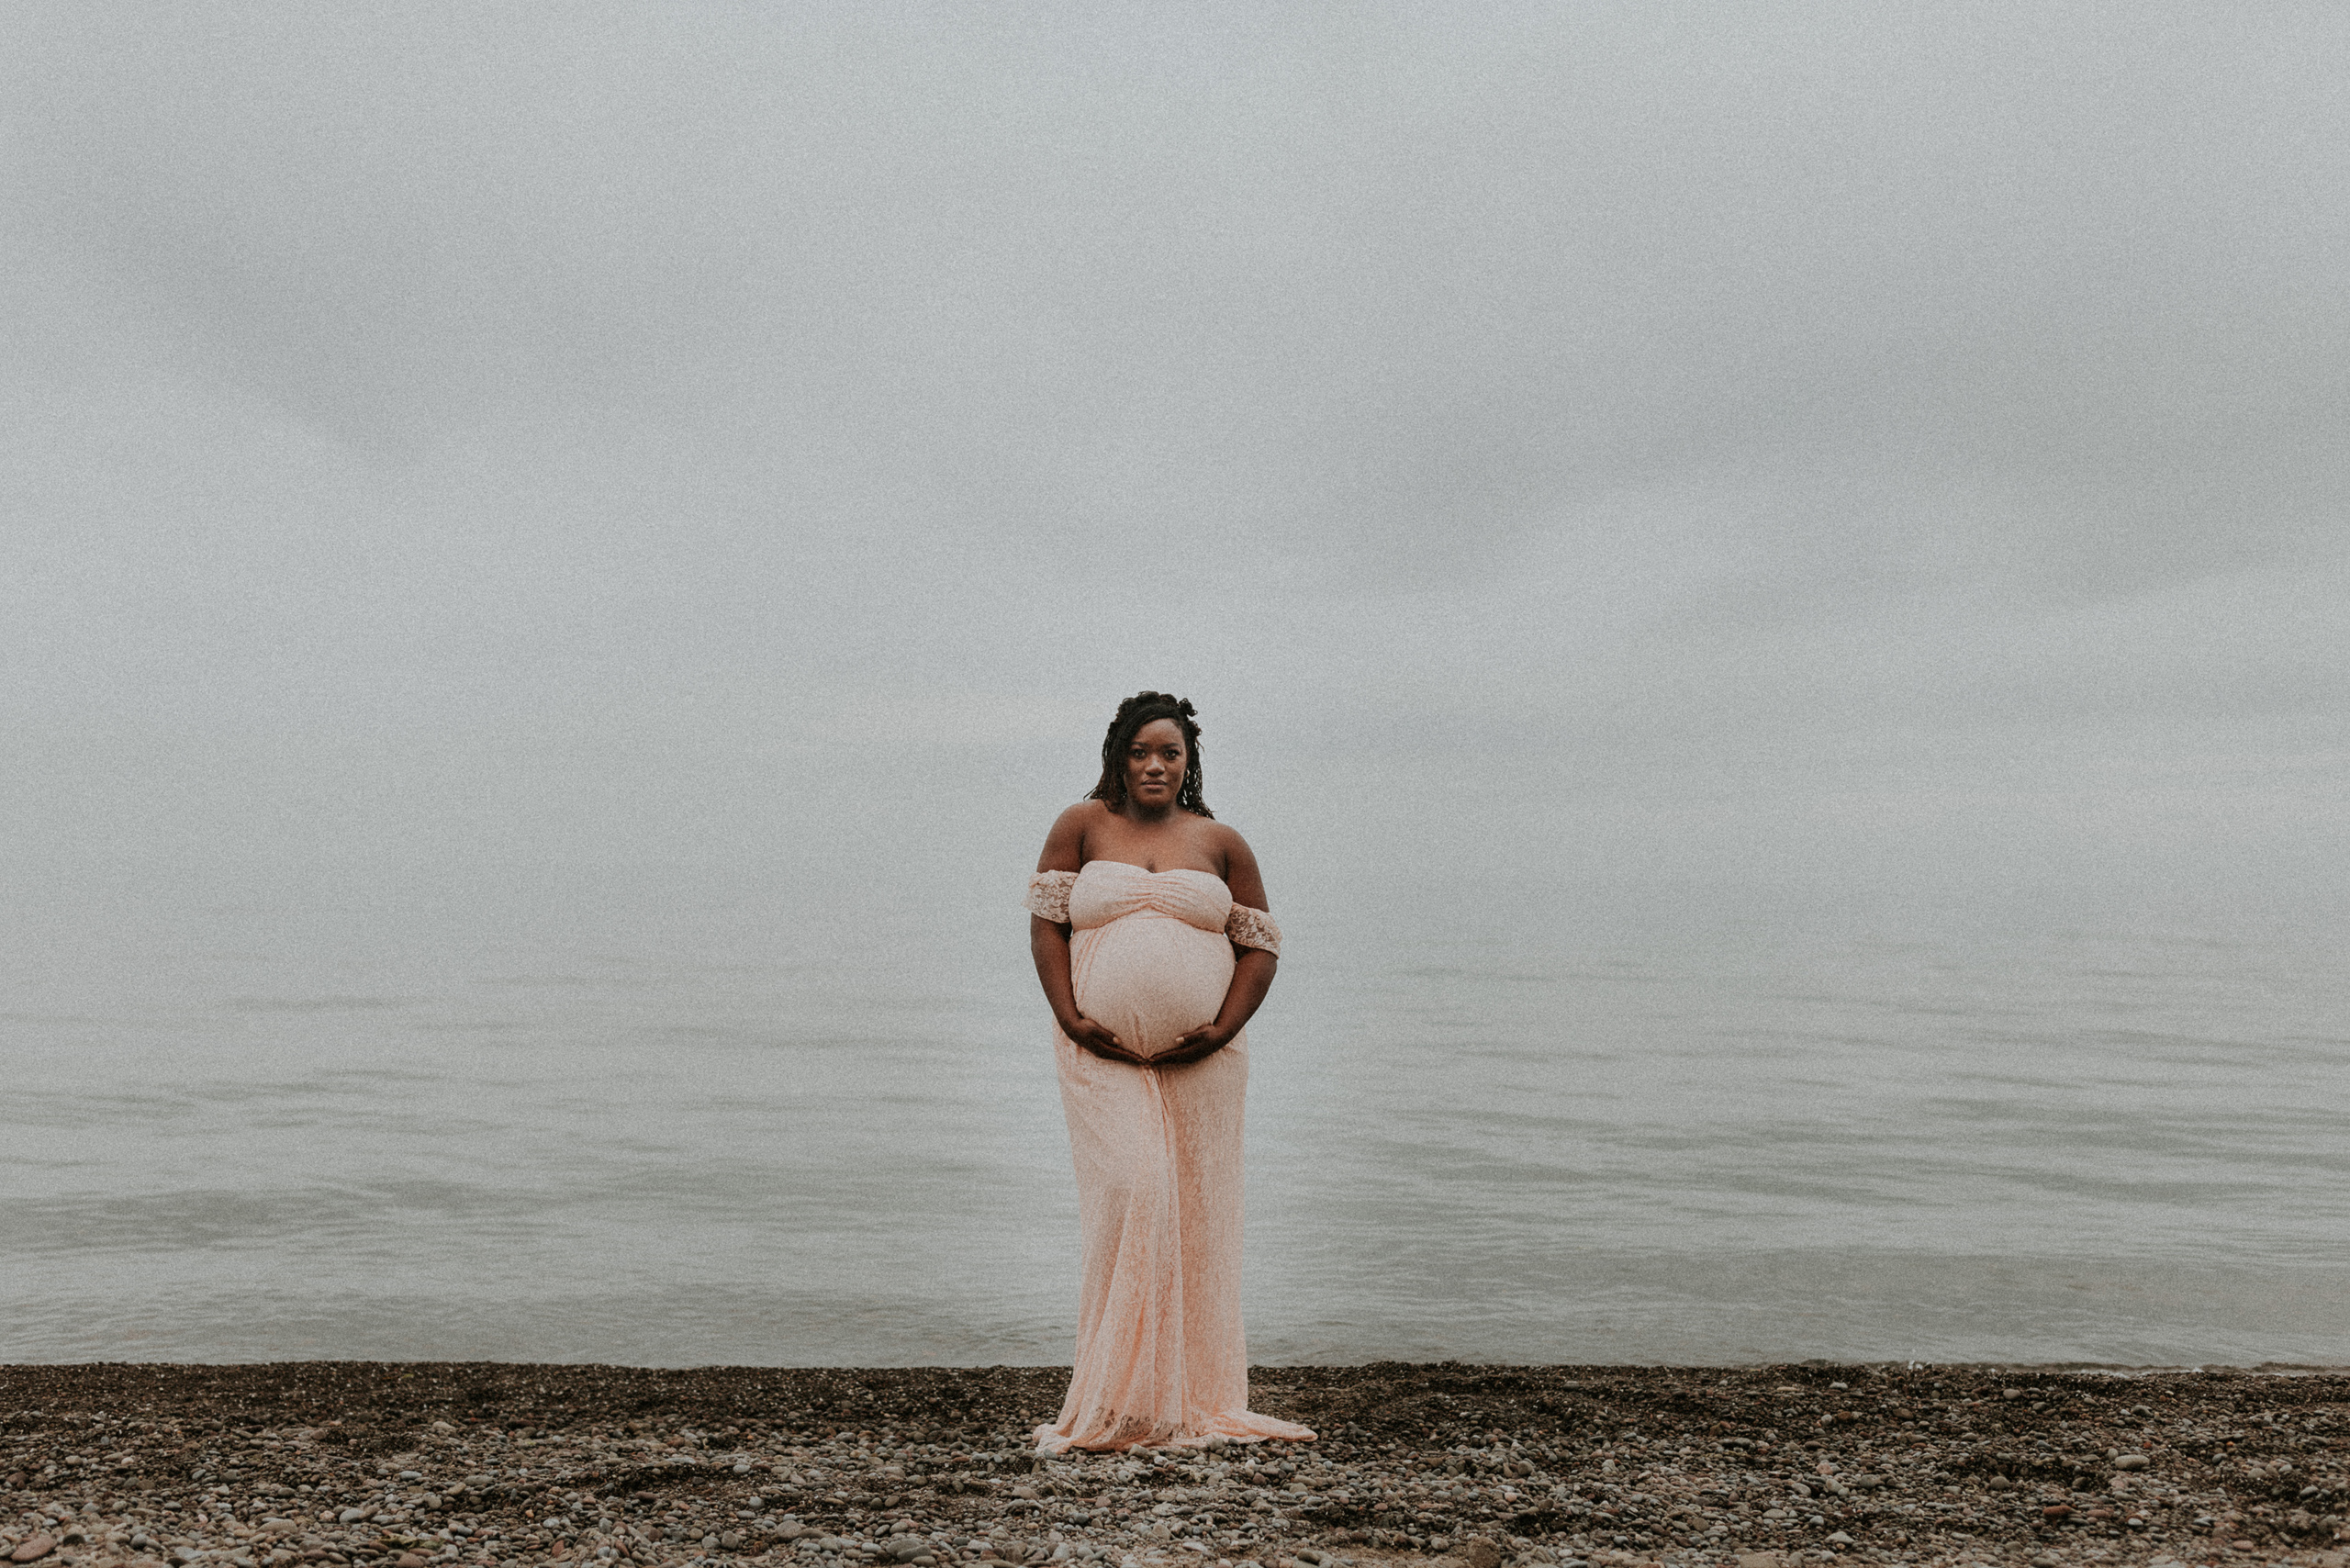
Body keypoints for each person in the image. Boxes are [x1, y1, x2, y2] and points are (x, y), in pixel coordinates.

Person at [1025, 691, 1316, 1453]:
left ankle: (1181, 1400)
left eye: (1170, 754)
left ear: (1188, 764)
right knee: (1134, 1190)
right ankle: (1117, 1395)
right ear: (1117, 757)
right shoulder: (1081, 826)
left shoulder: (1221, 841)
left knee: (1194, 1212)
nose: (1154, 765)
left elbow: (1260, 946)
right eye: (1139, 752)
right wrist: (1069, 1015)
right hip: (1098, 1052)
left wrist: (1222, 1028)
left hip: (1203, 1064)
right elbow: (1046, 924)